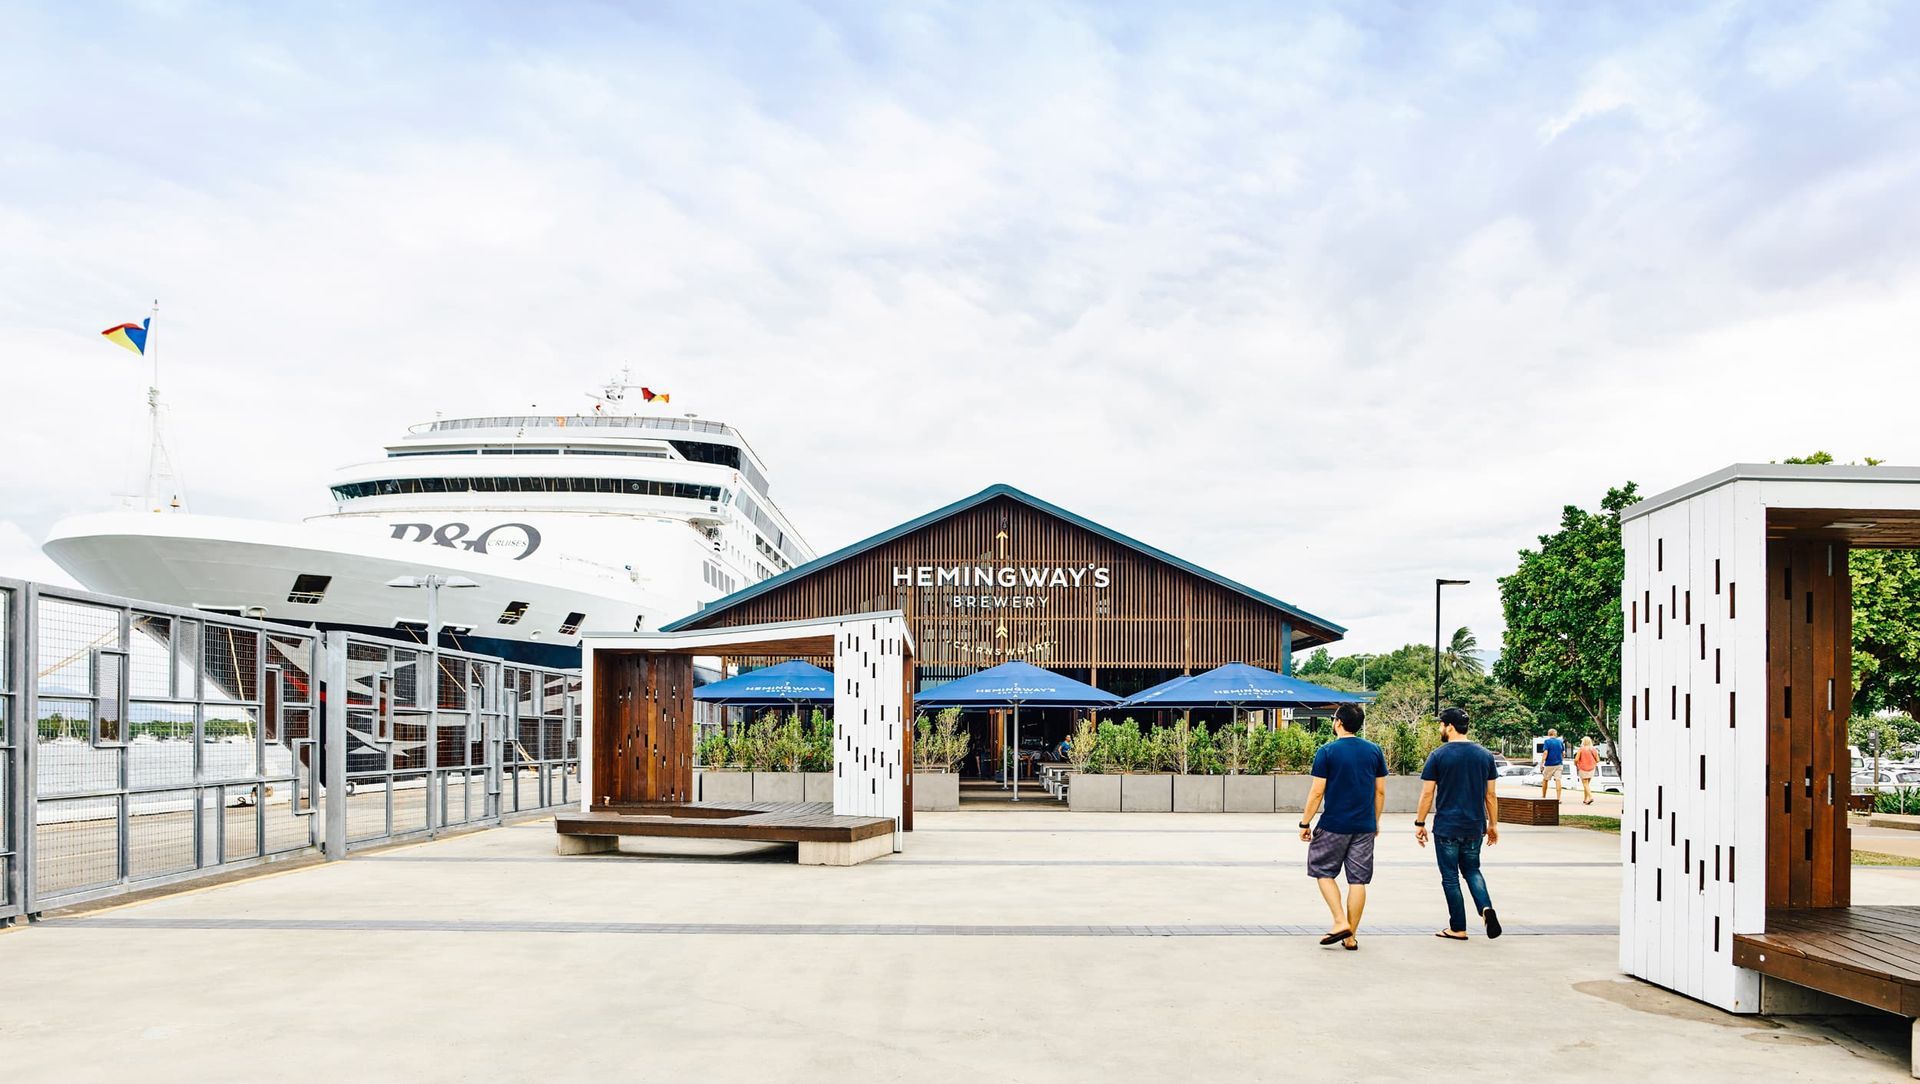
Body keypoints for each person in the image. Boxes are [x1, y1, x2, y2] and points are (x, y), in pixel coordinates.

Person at [1298, 703, 1388, 952]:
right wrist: (1375, 821)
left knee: (1322, 871)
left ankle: (1339, 921)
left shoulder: (1327, 751)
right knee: (1358, 881)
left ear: (1338, 722)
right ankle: (1351, 937)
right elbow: (1379, 790)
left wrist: (1305, 823)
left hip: (1334, 825)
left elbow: (1317, 792)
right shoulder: (1374, 751)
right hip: (1365, 825)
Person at [1415, 707, 1502, 941]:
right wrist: (1492, 824)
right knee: (1472, 870)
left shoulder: (1438, 755)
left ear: (1450, 727)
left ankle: (1458, 927)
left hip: (1447, 827)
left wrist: (1420, 822)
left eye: (1441, 724)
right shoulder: (1485, 755)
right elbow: (1490, 795)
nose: (1439, 728)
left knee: (1451, 877)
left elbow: (1427, 794)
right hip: (1474, 826)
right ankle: (1486, 908)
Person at [1538, 728, 1565, 801]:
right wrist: (1560, 759)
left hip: (1549, 764)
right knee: (1558, 780)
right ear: (1555, 734)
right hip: (1559, 764)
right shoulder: (1560, 742)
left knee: (1545, 780)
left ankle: (1543, 796)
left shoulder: (1547, 742)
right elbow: (1563, 753)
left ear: (1548, 734)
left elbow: (1545, 752)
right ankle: (1558, 798)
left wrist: (1542, 763)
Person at [1573, 737, 1600, 805]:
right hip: (1591, 769)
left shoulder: (1581, 749)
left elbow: (1576, 759)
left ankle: (1590, 797)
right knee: (1587, 785)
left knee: (1585, 784)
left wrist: (1576, 764)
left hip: (1582, 768)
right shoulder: (1593, 749)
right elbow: (1598, 760)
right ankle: (1585, 799)